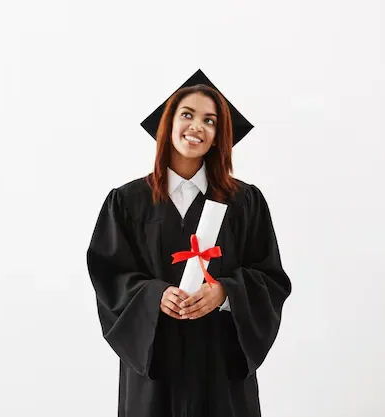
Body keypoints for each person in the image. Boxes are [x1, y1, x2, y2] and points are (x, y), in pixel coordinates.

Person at [86, 74, 292, 417]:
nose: (197, 126)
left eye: (209, 120)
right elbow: (109, 275)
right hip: (156, 367)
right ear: (168, 124)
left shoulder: (245, 202)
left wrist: (225, 294)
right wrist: (154, 295)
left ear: (218, 136)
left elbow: (270, 277)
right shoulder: (127, 201)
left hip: (221, 364)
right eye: (187, 114)